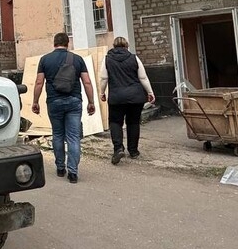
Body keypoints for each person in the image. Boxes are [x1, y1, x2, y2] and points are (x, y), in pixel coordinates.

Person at [31, 33, 96, 183]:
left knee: (58, 134)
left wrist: (35, 101)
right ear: (68, 43)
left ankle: (60, 168)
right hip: (74, 101)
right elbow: (87, 82)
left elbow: (39, 83)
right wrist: (91, 102)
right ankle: (73, 172)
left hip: (54, 102)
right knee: (73, 137)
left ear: (54, 43)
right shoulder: (77, 59)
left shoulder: (45, 59)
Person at [98, 37, 155, 165]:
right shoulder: (134, 58)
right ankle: (133, 151)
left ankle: (118, 148)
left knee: (115, 122)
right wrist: (150, 92)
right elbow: (143, 77)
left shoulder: (107, 59)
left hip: (117, 97)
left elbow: (103, 78)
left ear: (114, 46)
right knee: (133, 122)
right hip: (135, 97)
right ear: (126, 46)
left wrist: (102, 92)